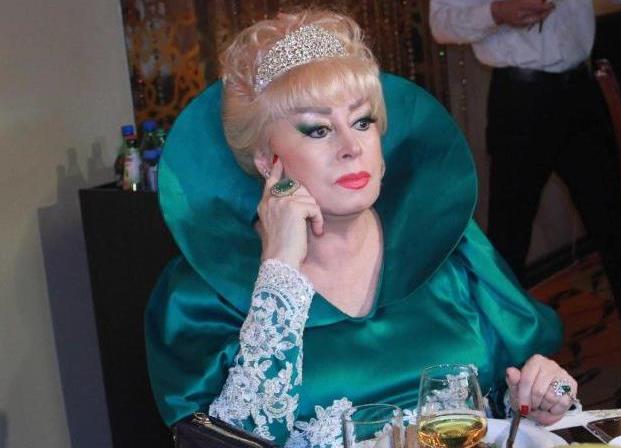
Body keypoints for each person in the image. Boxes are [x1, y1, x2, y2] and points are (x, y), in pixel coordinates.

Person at [145, 9, 577, 447]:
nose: (351, 147)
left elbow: (496, 405)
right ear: (265, 159)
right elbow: (236, 442)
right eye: (318, 130)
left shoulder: (447, 248)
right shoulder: (202, 295)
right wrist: (280, 271)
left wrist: (534, 398)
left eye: (362, 121)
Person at [429, 0, 621, 350]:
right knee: (509, 244)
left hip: (584, 88)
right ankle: (504, 367)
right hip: (520, 99)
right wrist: (496, 12)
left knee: (619, 234)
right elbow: (441, 24)